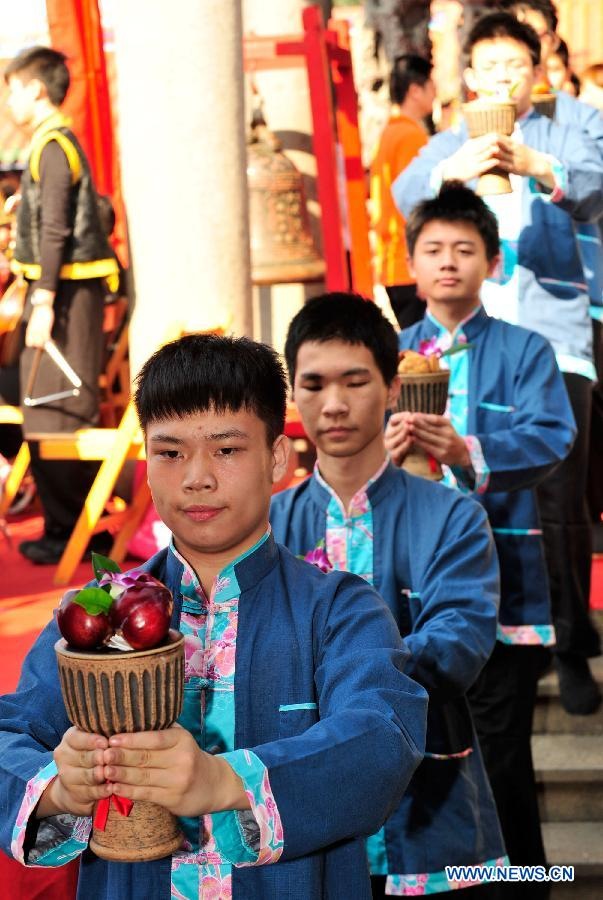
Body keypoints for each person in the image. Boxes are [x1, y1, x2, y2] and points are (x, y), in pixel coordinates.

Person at [0, 333, 428, 899]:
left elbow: (382, 736)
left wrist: (220, 781)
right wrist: (60, 786)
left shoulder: (338, 608)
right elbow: (11, 729)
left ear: (277, 457)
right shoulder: (95, 613)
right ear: (145, 460)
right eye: (170, 452)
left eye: (226, 449)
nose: (196, 477)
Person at [393, 12, 603, 715]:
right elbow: (406, 200)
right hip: (467, 344)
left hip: (554, 338)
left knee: (559, 495)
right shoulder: (448, 142)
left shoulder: (569, 125)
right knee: (466, 489)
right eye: (488, 68)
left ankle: (571, 647)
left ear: (536, 67)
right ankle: (485, 638)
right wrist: (456, 171)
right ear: (468, 77)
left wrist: (536, 167)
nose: (502, 78)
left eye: (515, 65)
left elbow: (595, 188)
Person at [271, 292, 506, 898]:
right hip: (301, 804)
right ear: (292, 394)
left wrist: (323, 670)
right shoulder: (264, 525)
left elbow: (459, 643)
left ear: (394, 388)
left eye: (356, 382)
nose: (335, 404)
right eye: (314, 384)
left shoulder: (452, 516)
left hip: (429, 802)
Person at [384, 182, 576, 897]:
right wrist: (383, 443)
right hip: (403, 588)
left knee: (502, 760)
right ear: (410, 263)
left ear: (491, 263)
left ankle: (526, 887)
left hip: (504, 590)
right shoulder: (388, 354)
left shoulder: (524, 351)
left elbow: (552, 437)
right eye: (432, 249)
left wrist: (467, 450)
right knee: (415, 756)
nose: (447, 262)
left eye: (464, 249)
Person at [3, 46, 119, 564]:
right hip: (62, 291)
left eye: (12, 88)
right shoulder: (52, 144)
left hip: (65, 294)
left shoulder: (54, 145)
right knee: (43, 407)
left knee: (57, 408)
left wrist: (44, 298)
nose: (8, 99)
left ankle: (75, 531)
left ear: (34, 89)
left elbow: (54, 229)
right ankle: (66, 526)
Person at [370, 55, 435, 328]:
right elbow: (415, 204)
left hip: (393, 263)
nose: (435, 93)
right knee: (425, 355)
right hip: (408, 265)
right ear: (415, 90)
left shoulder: (389, 133)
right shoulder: (411, 137)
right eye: (432, 86)